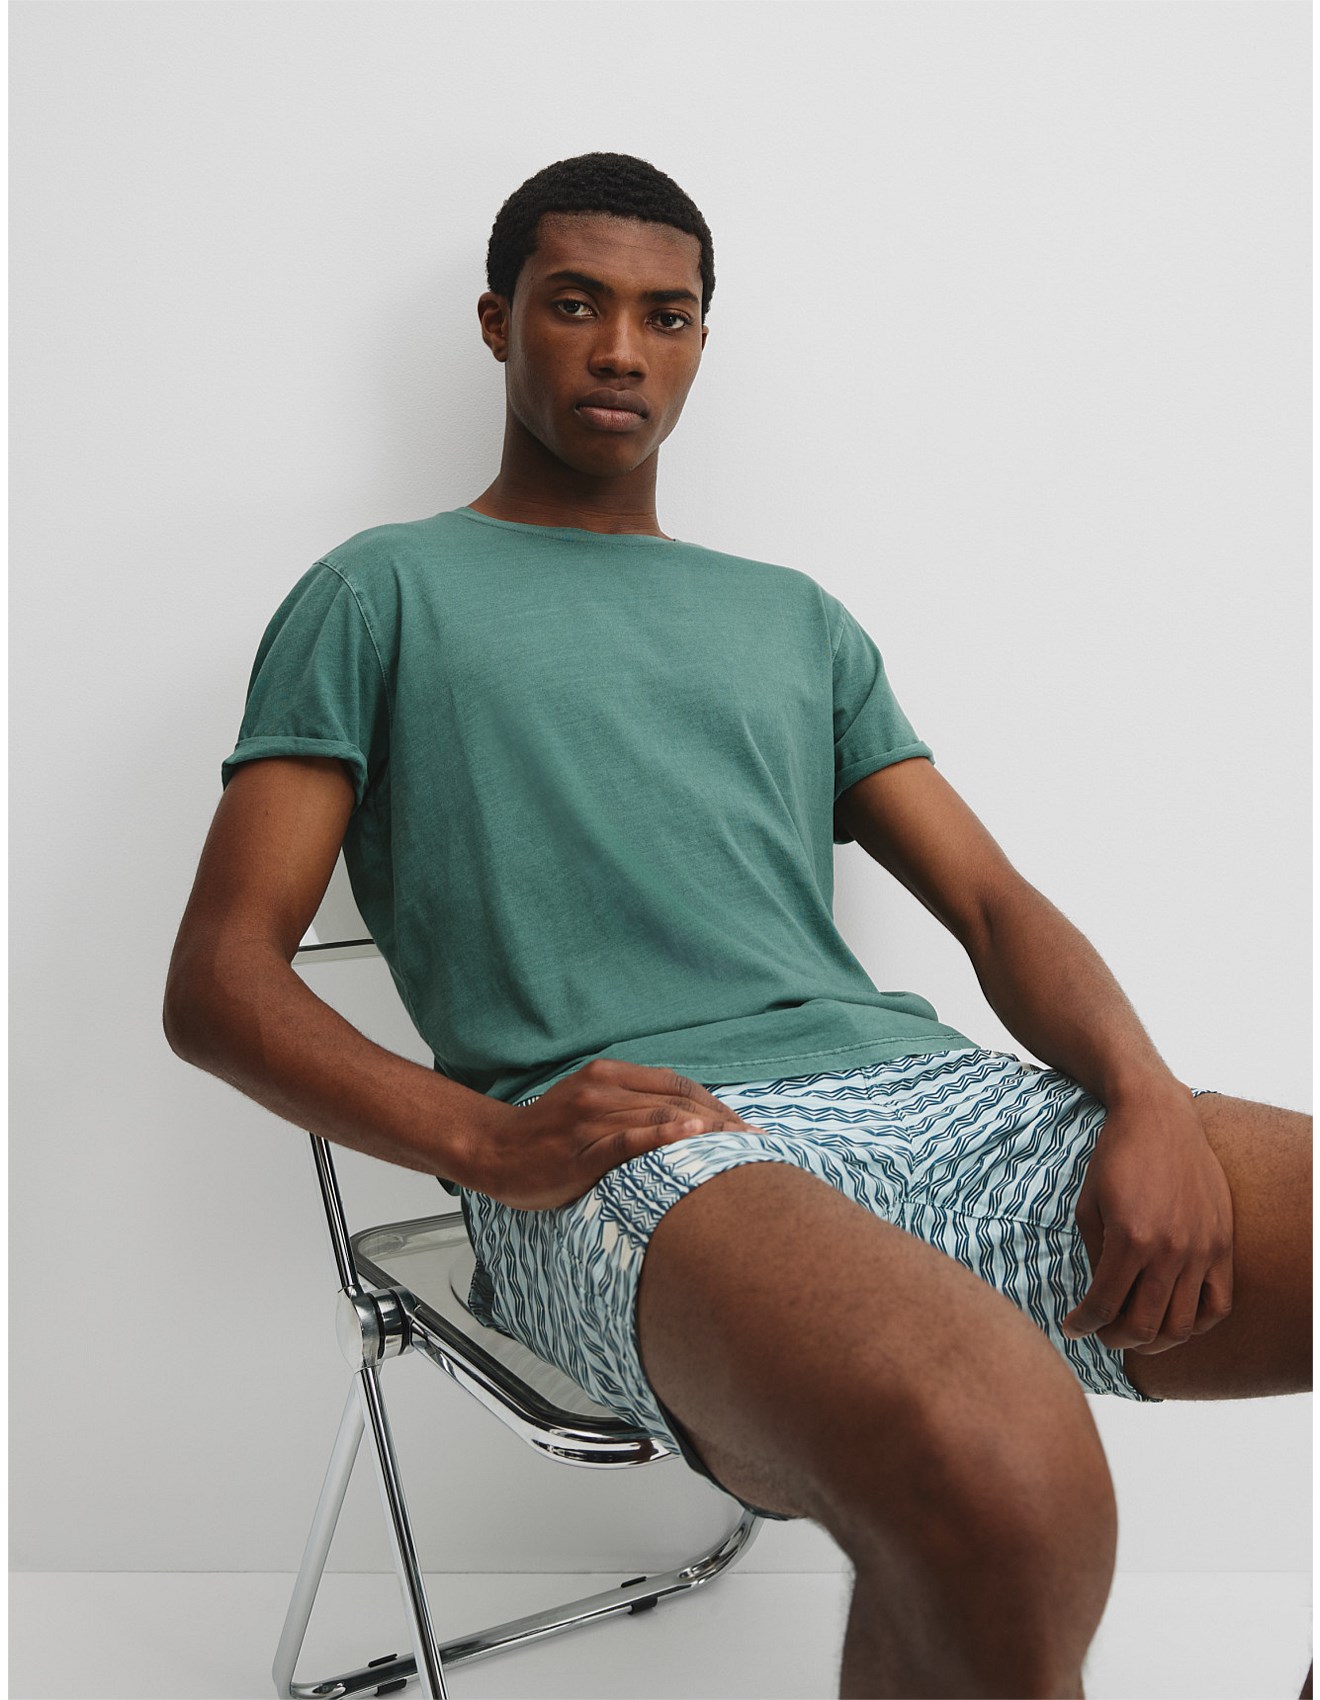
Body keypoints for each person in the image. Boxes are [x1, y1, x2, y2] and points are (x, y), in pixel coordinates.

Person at [164, 152, 1311, 1699]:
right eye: (575, 304)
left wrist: (1148, 1096)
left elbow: (988, 903)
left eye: (666, 315)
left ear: (703, 339)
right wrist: (493, 1144)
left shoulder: (793, 617)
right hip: (635, 1141)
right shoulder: (380, 593)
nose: (620, 350)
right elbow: (220, 979)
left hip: (920, 1100)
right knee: (1002, 1468)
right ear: (499, 323)